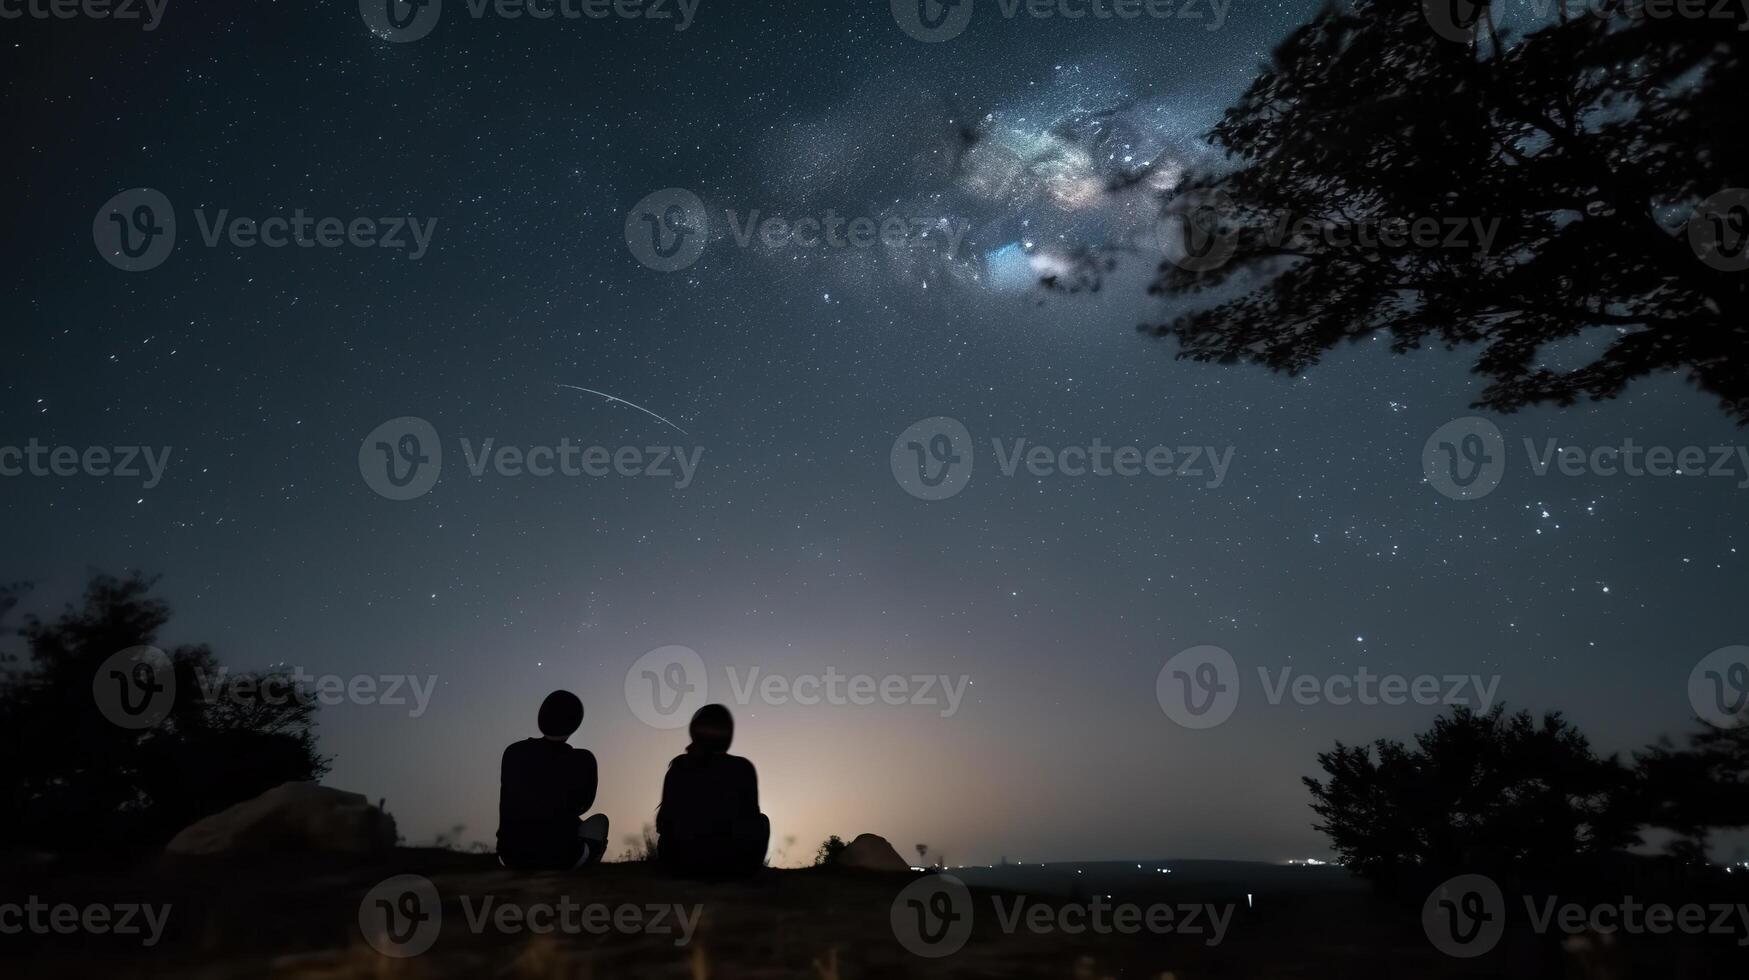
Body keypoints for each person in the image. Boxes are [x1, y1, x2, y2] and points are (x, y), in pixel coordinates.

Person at [496, 690, 609, 870]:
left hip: (511, 856)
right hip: (563, 857)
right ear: (576, 723)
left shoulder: (513, 752)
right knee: (600, 821)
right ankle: (585, 863)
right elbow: (582, 805)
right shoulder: (583, 759)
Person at [656, 703, 769, 876]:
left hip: (680, 861)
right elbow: (751, 818)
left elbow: (663, 822)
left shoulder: (678, 766)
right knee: (762, 822)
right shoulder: (742, 768)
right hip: (728, 863)